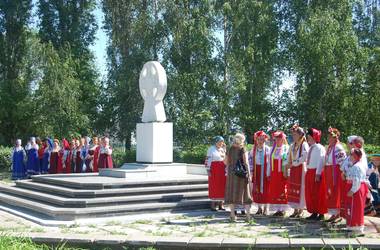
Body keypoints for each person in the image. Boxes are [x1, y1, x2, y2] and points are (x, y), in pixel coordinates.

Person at [224, 133, 253, 222]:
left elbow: (225, 162)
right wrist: (249, 174)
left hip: (231, 174)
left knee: (231, 193)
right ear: (242, 140)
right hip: (241, 174)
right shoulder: (243, 148)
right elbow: (246, 162)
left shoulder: (229, 149)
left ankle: (232, 215)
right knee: (245, 193)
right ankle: (248, 216)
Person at [343, 149, 368, 236]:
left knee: (355, 209)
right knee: (353, 208)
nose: (350, 157)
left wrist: (352, 190)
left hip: (355, 190)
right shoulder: (356, 165)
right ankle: (352, 227)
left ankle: (356, 229)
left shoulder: (357, 167)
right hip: (355, 189)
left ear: (355, 156)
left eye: (351, 155)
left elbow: (357, 180)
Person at [324, 127, 346, 223]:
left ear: (335, 138)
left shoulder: (338, 147)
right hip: (330, 171)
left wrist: (341, 173)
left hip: (336, 172)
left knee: (336, 192)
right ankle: (333, 213)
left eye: (330, 137)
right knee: (330, 192)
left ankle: (337, 213)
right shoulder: (330, 147)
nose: (328, 139)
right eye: (328, 137)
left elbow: (342, 162)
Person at [305, 128, 327, 220]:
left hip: (316, 172)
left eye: (309, 136)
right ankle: (314, 211)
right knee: (311, 193)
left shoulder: (319, 147)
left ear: (314, 137)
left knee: (318, 193)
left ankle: (320, 213)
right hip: (310, 171)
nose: (308, 138)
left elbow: (321, 161)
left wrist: (318, 173)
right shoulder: (311, 147)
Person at [287, 124, 309, 218]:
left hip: (301, 168)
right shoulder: (292, 145)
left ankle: (300, 210)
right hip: (293, 169)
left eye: (295, 134)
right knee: (293, 188)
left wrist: (295, 162)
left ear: (300, 135)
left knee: (301, 188)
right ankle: (295, 210)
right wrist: (288, 164)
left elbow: (305, 156)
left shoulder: (304, 144)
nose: (293, 136)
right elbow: (288, 156)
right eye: (293, 134)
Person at [249, 131, 271, 215]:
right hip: (257, 171)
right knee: (257, 190)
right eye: (258, 139)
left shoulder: (268, 149)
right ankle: (259, 208)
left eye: (262, 139)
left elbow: (270, 162)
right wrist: (251, 171)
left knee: (266, 190)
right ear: (256, 140)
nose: (260, 141)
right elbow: (250, 160)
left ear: (265, 140)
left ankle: (266, 208)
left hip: (265, 171)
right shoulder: (253, 150)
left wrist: (269, 172)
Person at [268, 131, 289, 217]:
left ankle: (283, 209)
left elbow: (287, 160)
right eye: (276, 139)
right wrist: (268, 173)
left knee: (282, 189)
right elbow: (270, 162)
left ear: (283, 139)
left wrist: (286, 172)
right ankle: (277, 209)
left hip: (282, 172)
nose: (277, 140)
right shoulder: (272, 149)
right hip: (274, 173)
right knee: (275, 190)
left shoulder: (286, 148)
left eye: (279, 139)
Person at [206, 136, 226, 211]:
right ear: (216, 142)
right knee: (214, 186)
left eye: (222, 141)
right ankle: (213, 205)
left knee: (222, 187)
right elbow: (208, 159)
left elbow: (225, 159)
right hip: (214, 170)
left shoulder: (222, 149)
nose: (221, 143)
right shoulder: (211, 149)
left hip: (222, 170)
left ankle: (221, 205)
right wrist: (208, 170)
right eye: (220, 141)